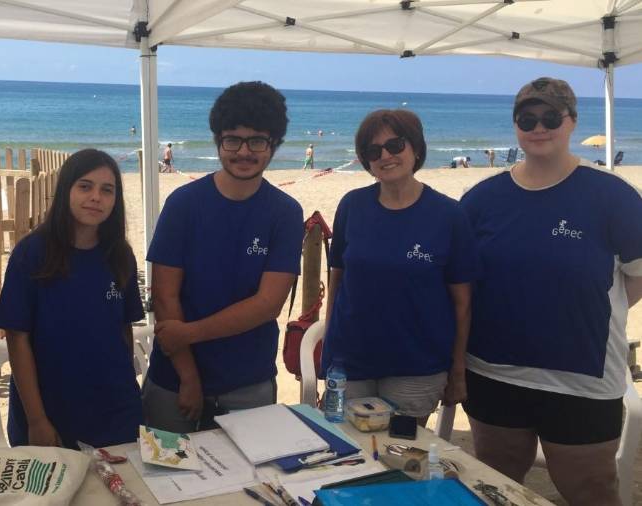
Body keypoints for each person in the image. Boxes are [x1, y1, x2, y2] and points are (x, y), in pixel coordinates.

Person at [460, 77, 642, 506]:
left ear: (571, 122)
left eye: (550, 117)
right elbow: (463, 281)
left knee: (592, 491)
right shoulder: (483, 199)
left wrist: (584, 312)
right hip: (493, 374)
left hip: (582, 379)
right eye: (527, 118)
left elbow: (636, 276)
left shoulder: (612, 196)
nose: (538, 127)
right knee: (497, 488)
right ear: (516, 125)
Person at [143, 81, 304, 433]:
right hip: (173, 380)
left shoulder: (285, 213)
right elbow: (165, 294)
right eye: (232, 139)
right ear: (218, 141)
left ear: (273, 145)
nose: (244, 152)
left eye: (257, 141)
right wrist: (189, 377)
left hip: (249, 383)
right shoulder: (183, 205)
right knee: (166, 483)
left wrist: (188, 333)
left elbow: (267, 304)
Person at [320, 109, 480, 423]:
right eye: (373, 150)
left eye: (395, 145)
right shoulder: (352, 206)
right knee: (349, 458)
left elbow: (462, 304)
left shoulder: (449, 216)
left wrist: (458, 369)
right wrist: (330, 354)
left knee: (400, 457)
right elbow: (337, 281)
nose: (385, 155)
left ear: (416, 148)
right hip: (351, 363)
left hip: (417, 367)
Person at [0, 149, 144, 449]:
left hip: (115, 408)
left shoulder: (120, 255)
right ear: (66, 191)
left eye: (107, 190)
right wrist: (36, 420)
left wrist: (128, 396)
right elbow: (16, 338)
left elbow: (123, 330)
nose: (96, 197)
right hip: (50, 408)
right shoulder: (32, 253)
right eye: (85, 186)